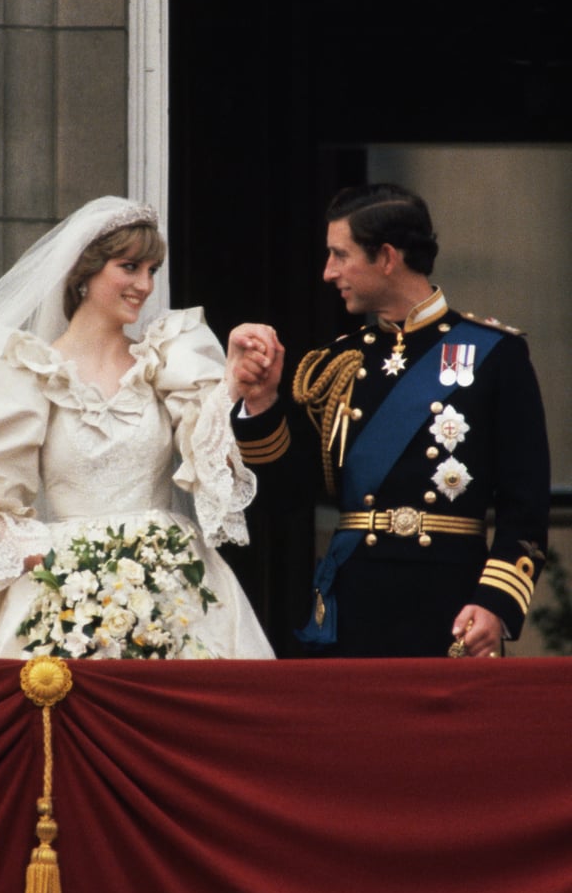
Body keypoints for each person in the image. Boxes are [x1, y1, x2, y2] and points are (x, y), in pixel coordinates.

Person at [0, 195, 274, 660]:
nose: (144, 285)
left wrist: (233, 385)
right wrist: (71, 575)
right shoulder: (23, 373)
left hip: (173, 584)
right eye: (129, 267)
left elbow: (212, 464)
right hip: (60, 587)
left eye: (151, 270)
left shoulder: (167, 359)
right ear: (85, 274)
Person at [228, 182, 550, 658]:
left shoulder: (496, 355)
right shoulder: (337, 363)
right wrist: (262, 401)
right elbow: (285, 497)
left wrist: (495, 603)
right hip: (355, 605)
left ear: (386, 256)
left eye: (340, 255)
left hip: (453, 605)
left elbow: (525, 505)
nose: (327, 272)